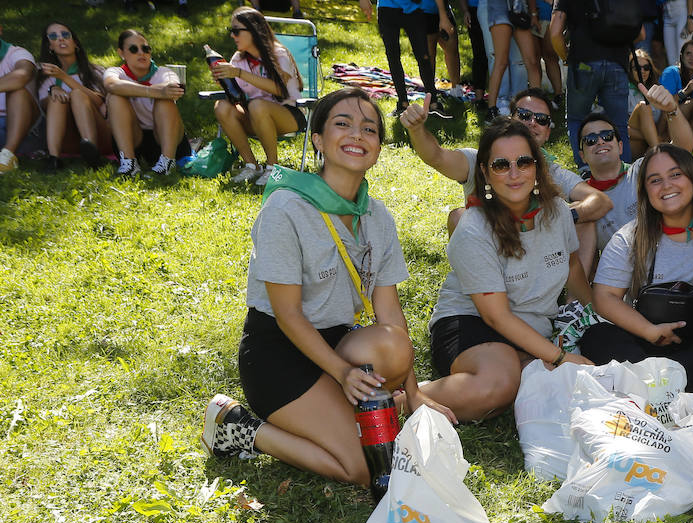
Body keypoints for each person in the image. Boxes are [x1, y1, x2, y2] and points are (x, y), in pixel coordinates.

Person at [201, 88, 454, 489]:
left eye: (369, 129)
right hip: (279, 352)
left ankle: (358, 405)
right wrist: (343, 373)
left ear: (378, 149)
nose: (357, 135)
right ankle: (239, 426)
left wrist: (414, 390)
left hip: (339, 344)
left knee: (391, 344)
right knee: (361, 467)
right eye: (343, 124)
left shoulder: (376, 215)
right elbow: (287, 315)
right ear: (318, 140)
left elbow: (388, 311)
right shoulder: (286, 208)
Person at [422, 118, 597, 421]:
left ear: (537, 167)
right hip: (471, 321)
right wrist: (560, 356)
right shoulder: (473, 230)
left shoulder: (556, 212)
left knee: (560, 382)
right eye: (501, 165)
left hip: (528, 330)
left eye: (524, 162)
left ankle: (520, 367)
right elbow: (495, 316)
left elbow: (572, 268)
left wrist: (595, 319)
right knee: (501, 383)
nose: (514, 174)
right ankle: (407, 399)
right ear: (485, 173)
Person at [584, 144, 693, 389]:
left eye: (675, 174)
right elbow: (604, 296)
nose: (667, 185)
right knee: (597, 337)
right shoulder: (629, 238)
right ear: (645, 191)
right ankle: (663, 383)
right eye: (655, 180)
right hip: (648, 338)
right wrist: (649, 330)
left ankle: (650, 383)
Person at [404, 87, 611, 272]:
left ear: (548, 133)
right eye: (524, 115)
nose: (532, 122)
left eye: (541, 120)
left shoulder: (553, 171)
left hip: (537, 256)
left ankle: (573, 306)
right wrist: (417, 130)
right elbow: (437, 157)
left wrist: (560, 217)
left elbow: (599, 201)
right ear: (510, 119)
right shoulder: (480, 160)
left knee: (585, 221)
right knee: (459, 217)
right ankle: (475, 290)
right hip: (493, 252)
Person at [578, 86, 692, 250]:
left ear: (621, 147)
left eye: (607, 136)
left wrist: (672, 110)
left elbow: (684, 147)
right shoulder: (581, 198)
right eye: (590, 140)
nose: (600, 142)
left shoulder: (642, 170)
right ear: (582, 156)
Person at [210, 8, 304, 186]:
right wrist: (225, 82)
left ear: (253, 30)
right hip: (254, 116)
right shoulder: (239, 58)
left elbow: (281, 89)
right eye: (231, 31)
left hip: (288, 116)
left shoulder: (278, 54)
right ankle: (251, 165)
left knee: (257, 105)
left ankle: (273, 168)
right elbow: (237, 95)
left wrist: (239, 73)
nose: (232, 35)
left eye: (236, 31)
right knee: (221, 106)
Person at [551, 0, 637, 169]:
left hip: (583, 62)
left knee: (576, 119)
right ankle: (625, 174)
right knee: (619, 124)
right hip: (618, 63)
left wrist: (566, 57)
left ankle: (586, 170)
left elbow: (555, 32)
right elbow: (639, 33)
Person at [103, 28, 186, 177]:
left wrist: (161, 93)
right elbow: (112, 85)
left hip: (164, 139)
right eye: (134, 49)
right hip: (133, 140)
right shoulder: (115, 72)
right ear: (121, 53)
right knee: (115, 97)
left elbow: (172, 87)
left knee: (165, 101)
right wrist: (155, 91)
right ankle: (129, 163)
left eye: (146, 49)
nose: (141, 53)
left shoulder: (164, 72)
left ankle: (167, 162)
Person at [35, 22, 111, 171]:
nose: (60, 39)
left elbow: (97, 102)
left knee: (77, 94)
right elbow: (44, 108)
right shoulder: (46, 76)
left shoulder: (94, 72)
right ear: (50, 46)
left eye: (65, 35)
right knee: (56, 98)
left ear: (75, 42)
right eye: (53, 36)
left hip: (101, 136)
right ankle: (54, 159)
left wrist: (64, 78)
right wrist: (53, 90)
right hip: (67, 139)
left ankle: (93, 155)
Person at [357, 0, 448, 119]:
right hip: (387, 8)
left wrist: (443, 15)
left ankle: (433, 103)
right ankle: (403, 104)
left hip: (414, 8)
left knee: (423, 57)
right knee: (393, 56)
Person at [479, 0, 541, 123]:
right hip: (498, 7)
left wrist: (533, 14)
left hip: (519, 6)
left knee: (532, 61)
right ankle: (491, 110)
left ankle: (539, 110)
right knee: (500, 61)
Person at [0, 25, 38, 174]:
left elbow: (21, 76)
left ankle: (7, 156)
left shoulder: (18, 53)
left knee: (18, 90)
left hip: (20, 126)